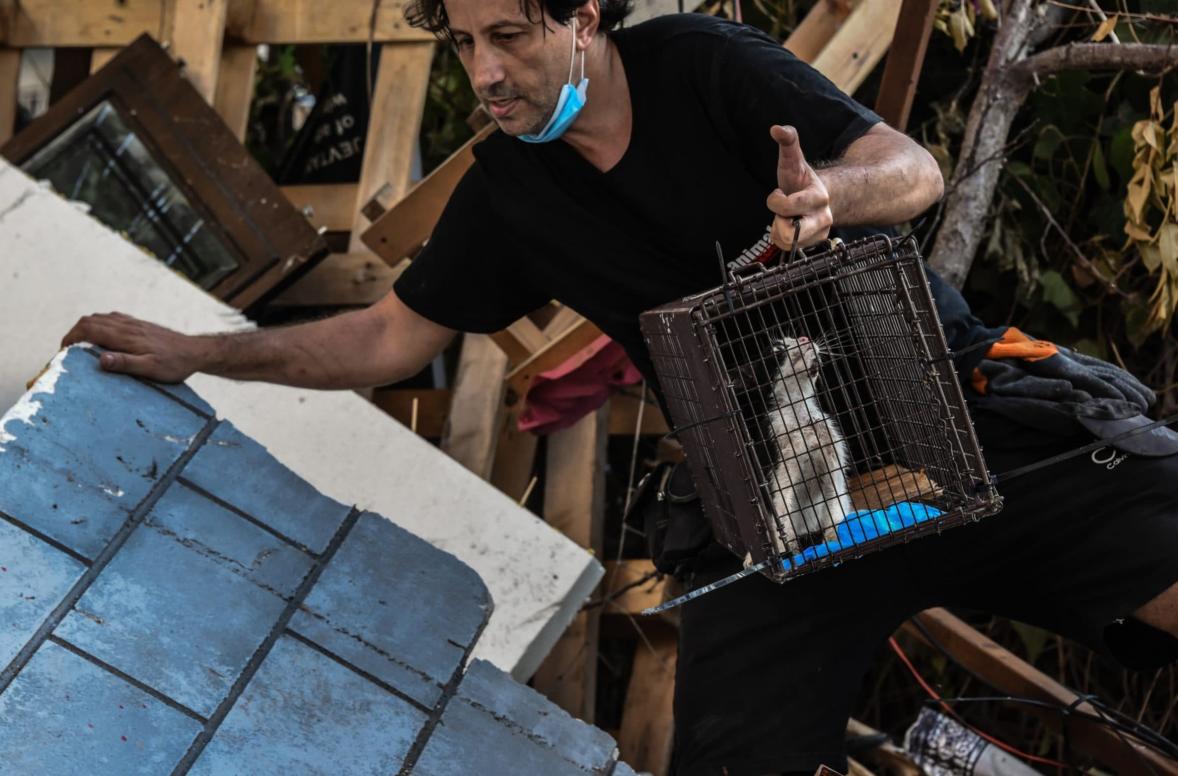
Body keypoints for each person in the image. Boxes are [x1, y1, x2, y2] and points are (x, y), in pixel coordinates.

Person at [63, 1, 1178, 773]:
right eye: (462, 45)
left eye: (511, 34)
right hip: (785, 510)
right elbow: (388, 338)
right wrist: (198, 351)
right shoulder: (508, 189)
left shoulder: (700, 64)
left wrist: (832, 193)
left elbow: (916, 168)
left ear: (585, 16)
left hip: (962, 415)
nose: (487, 72)